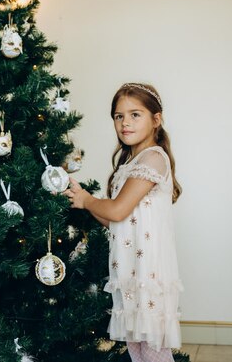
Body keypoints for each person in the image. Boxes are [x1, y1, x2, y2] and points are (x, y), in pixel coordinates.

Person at [64, 83, 183, 362]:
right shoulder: (130, 163)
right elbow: (114, 221)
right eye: (119, 116)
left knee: (154, 350)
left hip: (148, 273)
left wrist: (86, 200)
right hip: (128, 269)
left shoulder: (153, 158)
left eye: (135, 114)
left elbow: (117, 210)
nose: (125, 122)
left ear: (156, 119)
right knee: (137, 348)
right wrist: (83, 198)